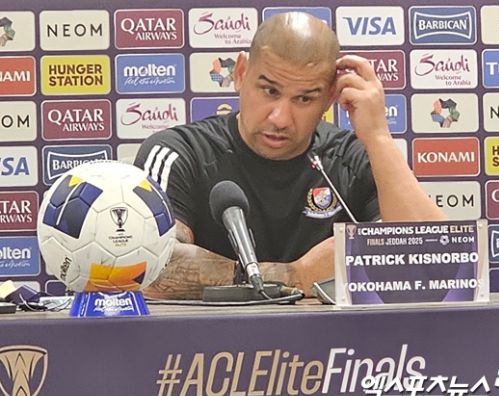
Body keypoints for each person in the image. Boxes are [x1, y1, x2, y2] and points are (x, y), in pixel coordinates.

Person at [134, 12, 446, 300]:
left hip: (339, 343)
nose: (281, 118)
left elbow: (439, 266)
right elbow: (148, 268)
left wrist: (378, 136)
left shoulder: (352, 159)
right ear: (241, 73)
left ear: (330, 97)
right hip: (210, 342)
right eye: (270, 91)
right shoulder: (178, 152)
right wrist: (296, 276)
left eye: (304, 99)